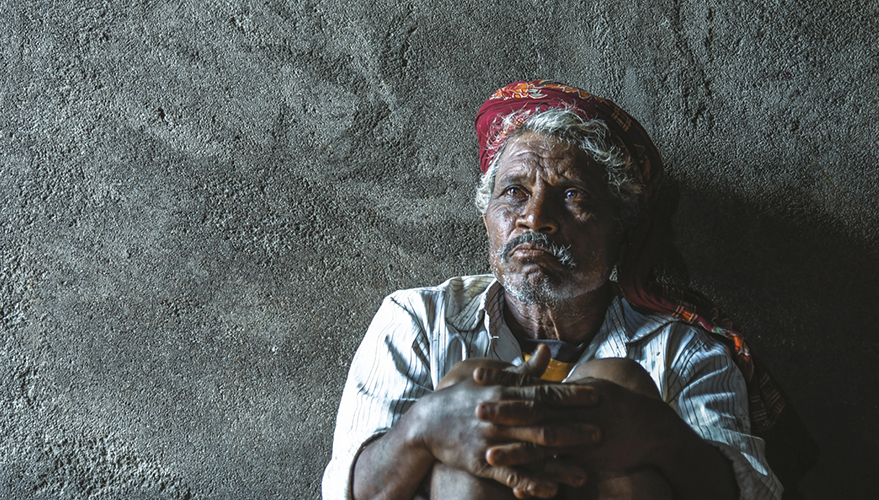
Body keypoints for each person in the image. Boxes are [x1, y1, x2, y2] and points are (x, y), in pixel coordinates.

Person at [322, 81, 784, 500]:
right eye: (514, 193)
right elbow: (345, 491)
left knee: (620, 390)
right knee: (459, 461)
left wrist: (659, 436)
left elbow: (759, 492)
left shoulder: (682, 349)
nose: (534, 217)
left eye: (573, 195)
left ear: (620, 230)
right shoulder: (417, 321)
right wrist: (423, 430)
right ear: (487, 219)